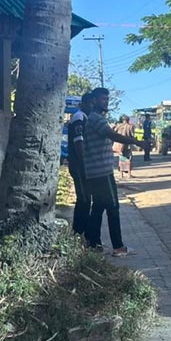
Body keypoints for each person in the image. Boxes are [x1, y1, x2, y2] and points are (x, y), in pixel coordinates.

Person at [84, 87, 144, 256]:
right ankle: (118, 246)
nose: (106, 102)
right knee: (113, 206)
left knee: (98, 207)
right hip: (101, 171)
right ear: (95, 101)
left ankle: (93, 243)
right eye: (103, 99)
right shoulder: (97, 119)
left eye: (107, 99)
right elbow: (113, 135)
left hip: (95, 170)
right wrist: (137, 142)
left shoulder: (94, 118)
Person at [69, 92, 94, 236]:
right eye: (89, 103)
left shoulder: (84, 117)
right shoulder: (79, 117)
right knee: (84, 199)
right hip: (79, 165)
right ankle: (78, 232)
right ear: (83, 103)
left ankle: (82, 232)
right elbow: (79, 142)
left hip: (82, 165)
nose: (91, 106)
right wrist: (85, 163)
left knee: (86, 199)